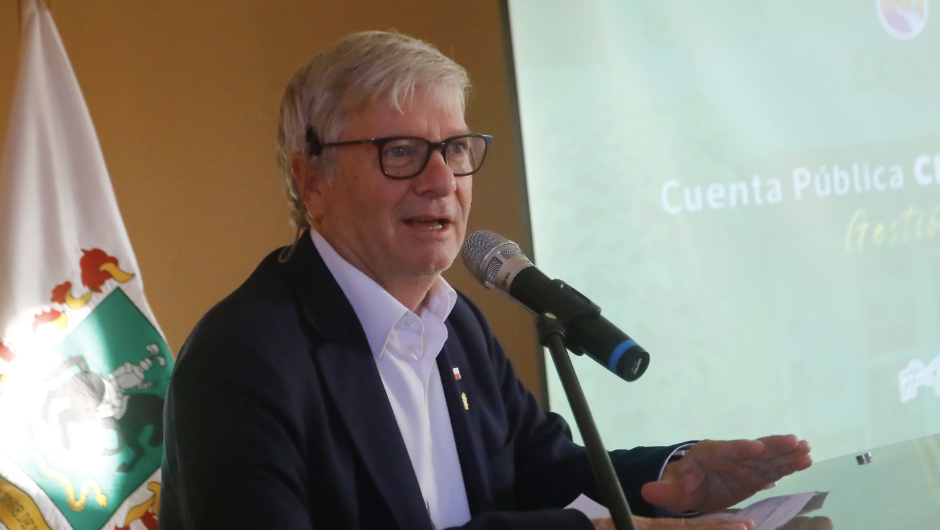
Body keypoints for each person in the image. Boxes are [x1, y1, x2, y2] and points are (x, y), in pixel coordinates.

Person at [159, 31, 814, 530]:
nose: (441, 180)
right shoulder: (242, 360)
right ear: (312, 182)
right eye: (400, 152)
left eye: (454, 149)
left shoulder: (453, 321)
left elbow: (543, 472)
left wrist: (676, 476)